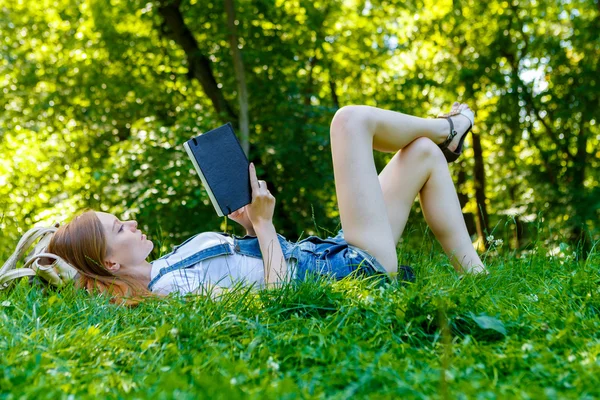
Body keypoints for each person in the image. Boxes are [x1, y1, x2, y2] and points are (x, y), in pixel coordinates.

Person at [4, 103, 487, 304]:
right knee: (348, 122)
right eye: (118, 227)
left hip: (334, 250)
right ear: (110, 260)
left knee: (419, 155)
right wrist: (265, 224)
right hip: (354, 267)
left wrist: (250, 226)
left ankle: (478, 278)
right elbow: (280, 295)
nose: (130, 221)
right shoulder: (177, 288)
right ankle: (449, 129)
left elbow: (252, 271)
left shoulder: (172, 263)